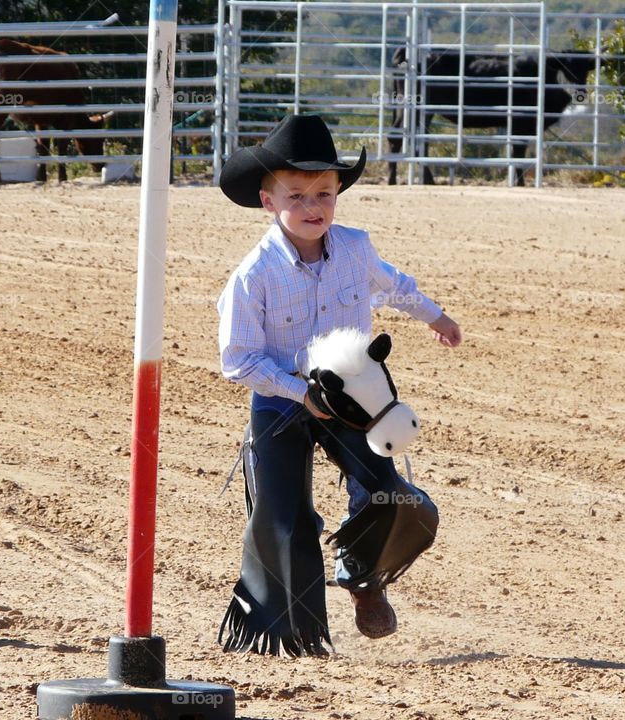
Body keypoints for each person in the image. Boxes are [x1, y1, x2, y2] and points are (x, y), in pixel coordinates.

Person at [216, 114, 461, 656]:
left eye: (324, 193)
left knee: (389, 494)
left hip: (352, 398)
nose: (313, 207)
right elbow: (238, 360)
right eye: (297, 195)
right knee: (280, 518)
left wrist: (435, 317)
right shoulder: (252, 276)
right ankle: (290, 631)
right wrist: (299, 393)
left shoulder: (355, 248)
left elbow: (395, 288)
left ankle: (363, 577)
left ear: (338, 195)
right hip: (282, 400)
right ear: (267, 201)